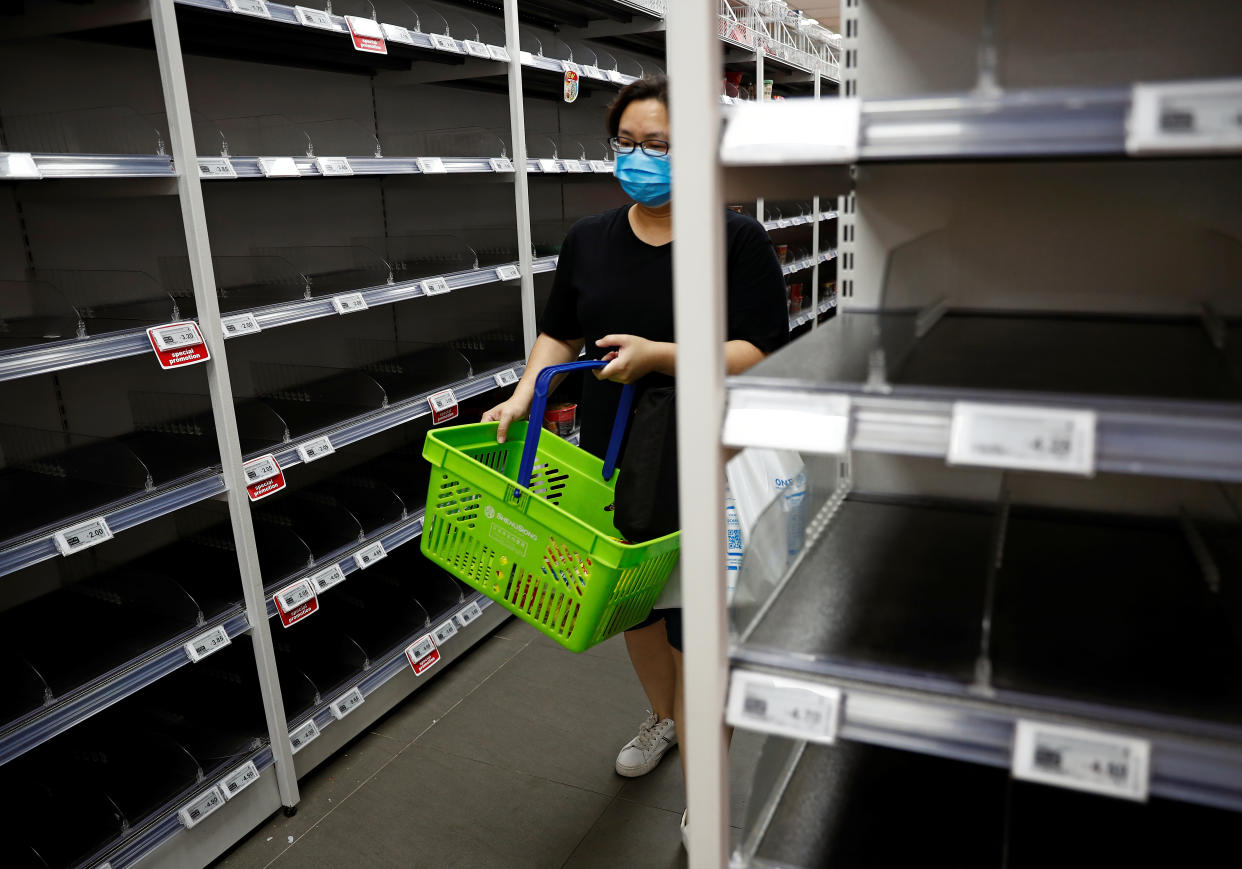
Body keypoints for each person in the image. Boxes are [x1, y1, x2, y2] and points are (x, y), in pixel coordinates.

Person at [482, 75, 788, 842]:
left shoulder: (736, 240)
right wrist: (524, 393)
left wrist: (662, 355)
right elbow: (562, 331)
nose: (638, 158)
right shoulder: (589, 238)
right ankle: (664, 720)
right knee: (637, 604)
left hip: (706, 450)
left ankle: (708, 790)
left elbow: (758, 349)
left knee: (699, 623)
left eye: (660, 145)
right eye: (626, 144)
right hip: (617, 449)